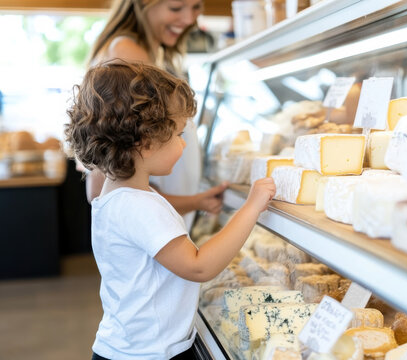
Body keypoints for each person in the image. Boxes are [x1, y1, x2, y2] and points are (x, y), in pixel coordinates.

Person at [65, 61, 275, 360]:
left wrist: (202, 201)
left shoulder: (118, 194)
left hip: (128, 348)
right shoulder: (138, 205)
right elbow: (199, 266)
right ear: (146, 143)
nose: (183, 143)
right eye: (178, 134)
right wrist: (252, 206)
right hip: (150, 355)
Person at [82, 0, 222, 229]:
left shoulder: (152, 52)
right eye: (176, 8)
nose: (189, 19)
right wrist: (196, 202)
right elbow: (103, 186)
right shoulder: (127, 54)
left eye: (197, 7)